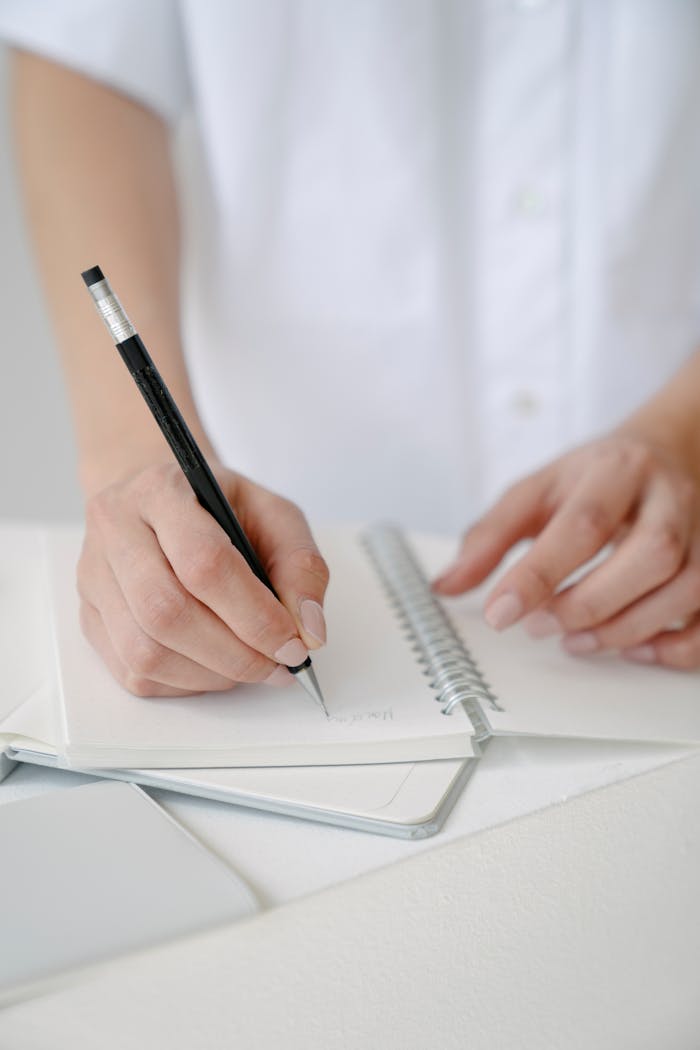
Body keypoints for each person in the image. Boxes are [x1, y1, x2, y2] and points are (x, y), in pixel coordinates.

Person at [3, 2, 700, 697]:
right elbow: (91, 58)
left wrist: (684, 431)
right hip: (278, 488)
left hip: (669, 548)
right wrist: (133, 457)